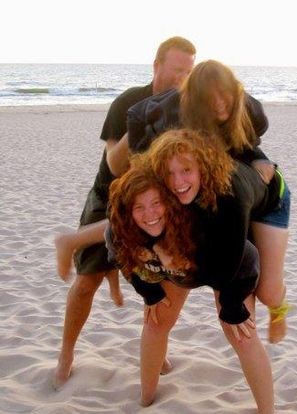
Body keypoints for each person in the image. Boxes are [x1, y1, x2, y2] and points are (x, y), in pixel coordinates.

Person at [53, 36, 196, 389]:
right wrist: (146, 121)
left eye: (189, 72)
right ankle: (66, 353)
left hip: (155, 204)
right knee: (86, 283)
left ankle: (156, 348)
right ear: (157, 66)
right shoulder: (129, 102)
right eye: (178, 70)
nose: (182, 78)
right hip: (110, 194)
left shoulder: (189, 107)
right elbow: (115, 165)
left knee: (163, 284)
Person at [109, 131, 280, 412]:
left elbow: (246, 261)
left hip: (231, 264)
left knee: (240, 331)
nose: (178, 182)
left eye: (187, 170)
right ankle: (146, 400)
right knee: (155, 321)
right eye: (169, 173)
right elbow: (119, 244)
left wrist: (232, 304)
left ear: (202, 167)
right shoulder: (155, 201)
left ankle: (267, 410)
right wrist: (150, 289)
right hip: (184, 261)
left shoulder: (227, 201)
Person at [127, 60, 291, 343]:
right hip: (225, 194)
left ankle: (279, 311)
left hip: (265, 198)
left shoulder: (251, 112)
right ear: (195, 100)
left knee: (268, 292)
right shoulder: (176, 118)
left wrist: (258, 158)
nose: (218, 103)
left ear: (236, 92)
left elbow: (245, 143)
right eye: (209, 97)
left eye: (224, 93)